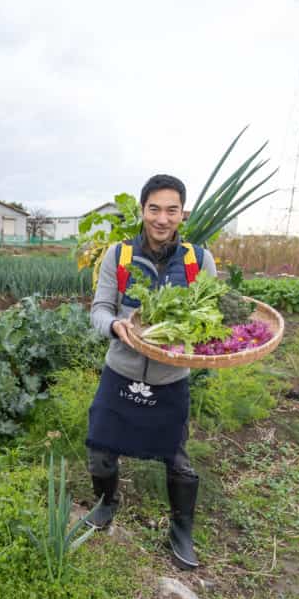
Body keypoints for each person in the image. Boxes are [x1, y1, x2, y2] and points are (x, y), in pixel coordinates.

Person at [85, 174, 217, 570]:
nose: (162, 218)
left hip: (170, 377)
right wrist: (113, 326)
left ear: (183, 214)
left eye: (171, 210)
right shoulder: (119, 256)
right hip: (121, 369)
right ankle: (106, 504)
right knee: (100, 448)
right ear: (142, 211)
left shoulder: (198, 260)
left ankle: (180, 530)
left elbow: (207, 318)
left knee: (177, 458)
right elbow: (99, 308)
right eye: (154, 209)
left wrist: (199, 340)